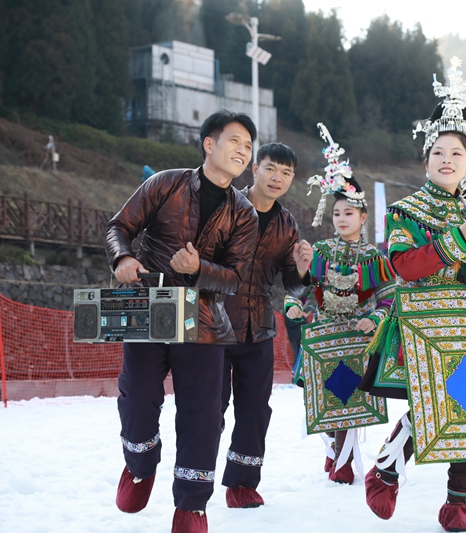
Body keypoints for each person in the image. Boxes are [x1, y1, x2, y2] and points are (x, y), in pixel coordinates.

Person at [359, 57, 466, 533]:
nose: (447, 160)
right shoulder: (406, 211)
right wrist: (455, 241)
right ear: (426, 160)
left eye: (457, 153)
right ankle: (387, 470)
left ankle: (457, 501)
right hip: (423, 322)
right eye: (439, 153)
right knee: (429, 401)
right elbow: (403, 266)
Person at [106, 111, 259, 533]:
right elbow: (119, 226)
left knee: (203, 414)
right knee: (136, 396)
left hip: (205, 319)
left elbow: (235, 277)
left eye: (248, 147)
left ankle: (191, 505)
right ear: (209, 144)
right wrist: (124, 257)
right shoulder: (166, 183)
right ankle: (139, 466)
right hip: (149, 304)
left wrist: (198, 270)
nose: (243, 152)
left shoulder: (245, 214)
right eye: (235, 141)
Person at [287, 123, 395, 485]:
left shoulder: (374, 256)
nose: (342, 219)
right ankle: (335, 452)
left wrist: (377, 317)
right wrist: (295, 303)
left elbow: (388, 296)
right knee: (326, 396)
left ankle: (346, 462)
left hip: (358, 336)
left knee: (349, 396)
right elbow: (302, 287)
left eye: (349, 213)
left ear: (363, 217)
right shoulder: (320, 252)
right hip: (324, 335)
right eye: (337, 214)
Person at [220, 142, 313, 508]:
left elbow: (291, 283)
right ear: (254, 168)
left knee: (256, 407)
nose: (278, 178)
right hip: (214, 323)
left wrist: (302, 269)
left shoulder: (287, 225)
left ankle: (241, 484)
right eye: (272, 169)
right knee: (209, 407)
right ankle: (197, 476)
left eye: (287, 173)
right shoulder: (225, 206)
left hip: (258, 327)